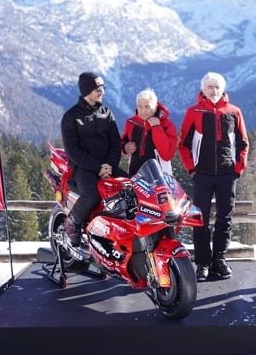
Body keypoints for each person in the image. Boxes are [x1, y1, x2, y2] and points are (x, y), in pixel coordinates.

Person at [179, 72, 248, 282]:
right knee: (199, 220)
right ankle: (202, 263)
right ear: (203, 89)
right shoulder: (194, 112)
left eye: (217, 87)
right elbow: (183, 145)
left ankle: (219, 259)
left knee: (224, 219)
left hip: (228, 174)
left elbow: (243, 143)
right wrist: (192, 170)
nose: (213, 90)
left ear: (223, 89)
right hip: (202, 175)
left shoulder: (234, 111)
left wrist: (238, 169)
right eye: (209, 87)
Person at [60, 72, 124, 247]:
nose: (102, 92)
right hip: (83, 168)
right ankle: (72, 221)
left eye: (103, 88)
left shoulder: (107, 113)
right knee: (92, 194)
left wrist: (110, 165)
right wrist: (98, 167)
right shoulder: (71, 117)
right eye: (98, 88)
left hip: (108, 166)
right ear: (87, 90)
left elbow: (115, 143)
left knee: (130, 187)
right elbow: (73, 151)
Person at [121, 88, 177, 175]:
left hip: (160, 177)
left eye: (147, 107)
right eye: (140, 107)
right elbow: (121, 143)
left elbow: (167, 155)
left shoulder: (167, 126)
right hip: (135, 175)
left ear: (155, 107)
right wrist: (125, 147)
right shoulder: (131, 122)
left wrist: (157, 128)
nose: (143, 111)